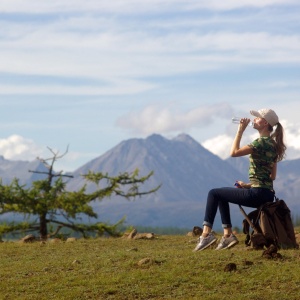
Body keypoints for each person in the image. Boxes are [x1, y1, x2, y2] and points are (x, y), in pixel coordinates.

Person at [194, 108, 286, 251]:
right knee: (222, 195)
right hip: (267, 194)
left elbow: (234, 152)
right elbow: (271, 177)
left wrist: (240, 131)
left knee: (213, 193)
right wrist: (248, 185)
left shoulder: (260, 143)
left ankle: (206, 235)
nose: (254, 120)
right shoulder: (274, 145)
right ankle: (227, 236)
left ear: (265, 123)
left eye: (257, 118)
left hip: (257, 194)